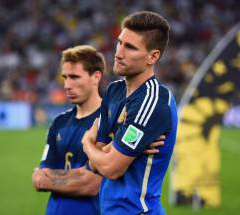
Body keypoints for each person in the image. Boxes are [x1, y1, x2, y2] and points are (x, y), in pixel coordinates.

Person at [31, 45, 165, 215]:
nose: (67, 85)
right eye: (65, 77)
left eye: (74, 77)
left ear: (96, 77)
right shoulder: (59, 122)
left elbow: (92, 184)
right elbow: (40, 176)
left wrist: (49, 180)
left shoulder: (115, 119)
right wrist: (77, 176)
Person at [82, 11, 178, 215]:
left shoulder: (152, 102)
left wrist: (86, 143)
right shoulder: (113, 91)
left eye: (130, 47)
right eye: (120, 43)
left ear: (153, 56)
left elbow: (111, 169)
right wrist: (106, 150)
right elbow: (94, 165)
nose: (118, 53)